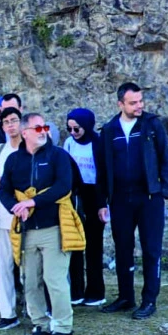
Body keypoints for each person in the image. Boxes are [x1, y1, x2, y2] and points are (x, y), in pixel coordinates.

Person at [0, 113, 81, 335]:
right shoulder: (14, 160)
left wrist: (31, 203)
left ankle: (64, 330)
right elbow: (4, 191)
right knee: (30, 281)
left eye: (45, 126)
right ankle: (41, 326)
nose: (43, 131)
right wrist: (15, 207)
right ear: (24, 133)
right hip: (27, 230)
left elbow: (63, 186)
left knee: (55, 280)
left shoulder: (58, 156)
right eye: (37, 128)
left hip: (55, 227)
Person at [96, 82, 168, 320]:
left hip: (149, 197)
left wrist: (164, 191)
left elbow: (165, 158)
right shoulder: (109, 130)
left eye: (140, 101)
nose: (139, 106)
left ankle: (149, 299)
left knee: (151, 250)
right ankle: (125, 296)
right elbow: (102, 169)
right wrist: (102, 201)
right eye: (133, 103)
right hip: (120, 199)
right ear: (120, 104)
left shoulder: (152, 125)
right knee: (123, 249)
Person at [0, 107, 24, 330]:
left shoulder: (31, 148)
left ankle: (34, 310)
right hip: (2, 216)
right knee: (4, 267)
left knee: (29, 269)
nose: (10, 125)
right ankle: (8, 313)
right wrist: (10, 181)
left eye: (14, 120)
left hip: (27, 216)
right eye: (6, 122)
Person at [63, 108, 107, 305]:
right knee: (75, 243)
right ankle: (76, 290)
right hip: (75, 196)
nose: (73, 133)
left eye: (77, 129)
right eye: (69, 129)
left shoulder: (99, 145)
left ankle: (96, 291)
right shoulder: (69, 144)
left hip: (95, 197)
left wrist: (102, 204)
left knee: (94, 245)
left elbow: (103, 175)